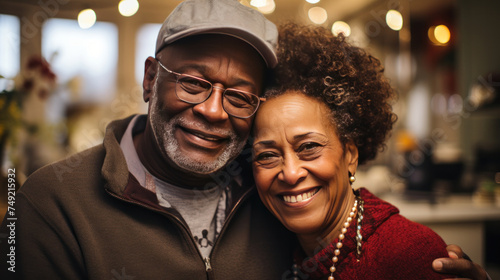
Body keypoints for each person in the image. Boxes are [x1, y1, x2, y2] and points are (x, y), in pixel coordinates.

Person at [0, 0, 488, 279]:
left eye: (238, 95)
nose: (213, 110)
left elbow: (353, 217)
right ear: (151, 80)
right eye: (192, 82)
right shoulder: (49, 205)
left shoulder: (269, 193)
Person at [251, 23, 491, 280]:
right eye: (267, 155)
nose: (290, 173)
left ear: (350, 155)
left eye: (309, 147)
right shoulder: (275, 248)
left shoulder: (409, 253)